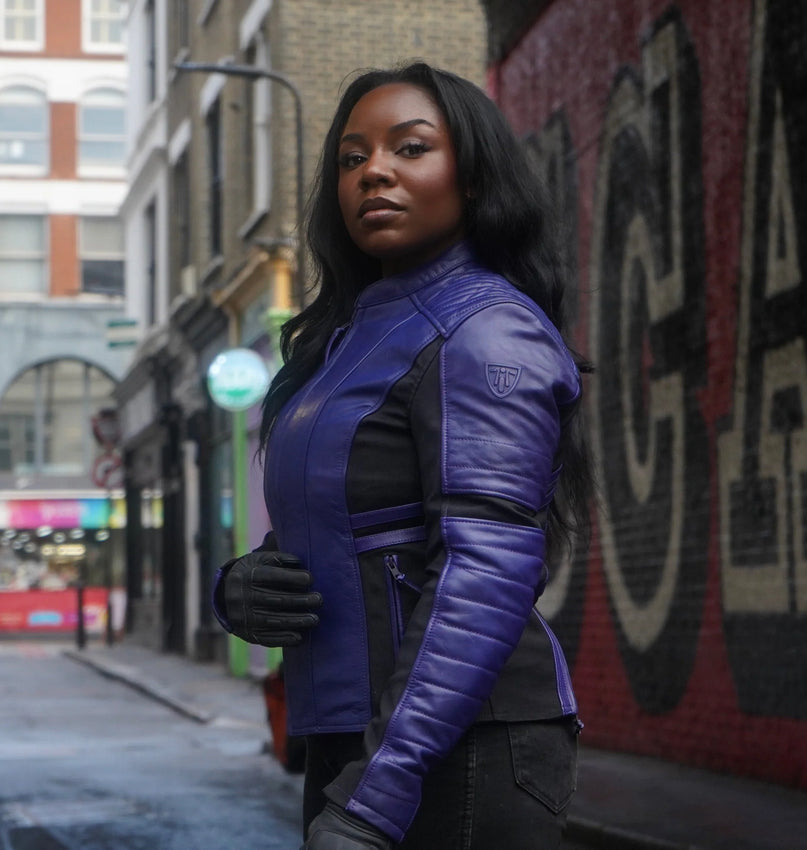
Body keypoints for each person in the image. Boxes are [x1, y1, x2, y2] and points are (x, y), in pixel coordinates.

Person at [213, 61, 594, 849]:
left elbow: (483, 571)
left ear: (473, 172)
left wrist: (376, 795)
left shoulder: (486, 329)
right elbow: (344, 532)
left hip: (459, 749)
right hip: (357, 736)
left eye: (410, 148)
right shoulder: (348, 338)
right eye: (351, 159)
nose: (373, 171)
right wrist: (242, 590)